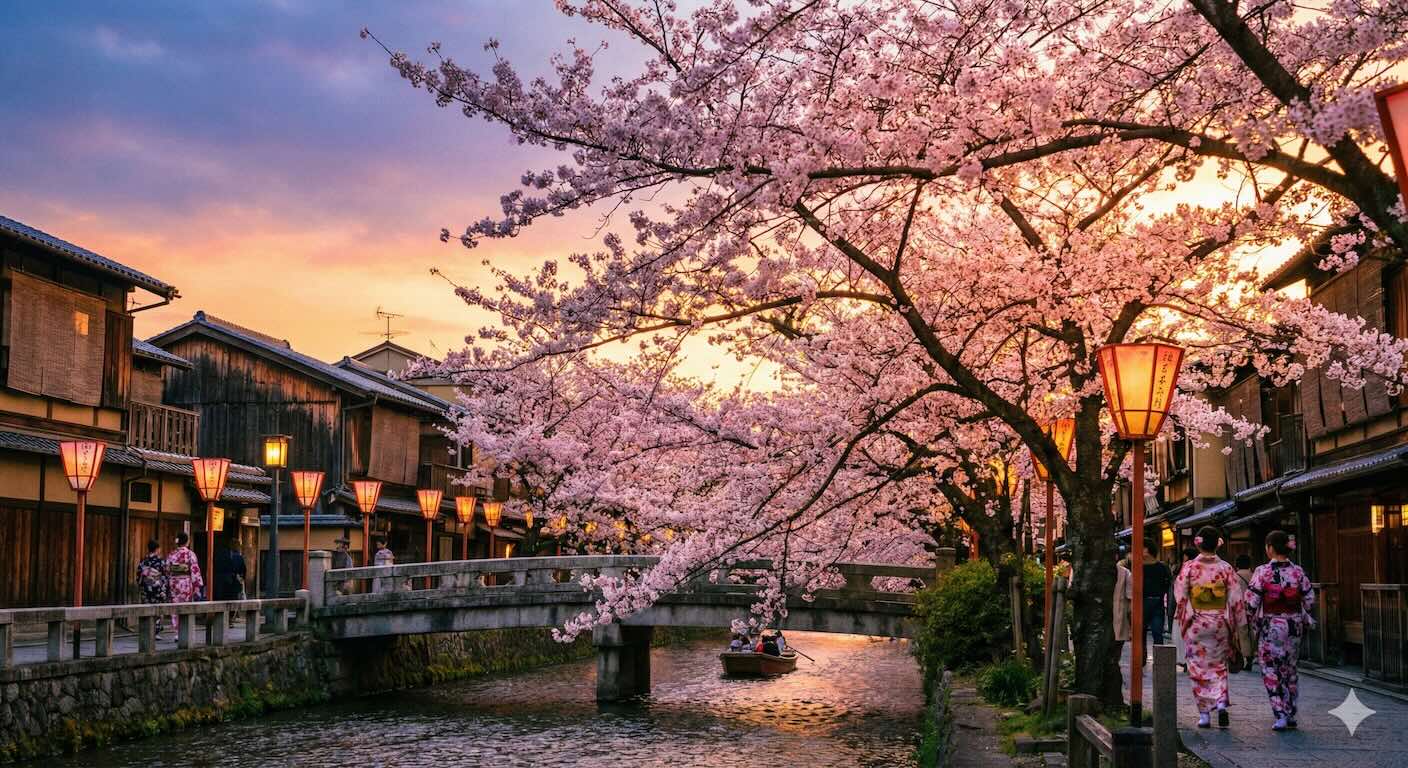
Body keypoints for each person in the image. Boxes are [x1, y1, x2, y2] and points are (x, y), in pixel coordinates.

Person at [1174, 527, 1245, 729]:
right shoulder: (1226, 568)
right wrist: (1239, 625)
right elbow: (1236, 599)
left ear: (1198, 544)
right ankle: (1221, 703)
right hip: (1220, 623)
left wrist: (1184, 617)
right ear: (1218, 544)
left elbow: (1180, 595)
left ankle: (1204, 715)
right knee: (1219, 666)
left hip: (1196, 623)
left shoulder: (1189, 567)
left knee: (1197, 667)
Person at [1245, 530, 1315, 731]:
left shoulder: (1263, 572)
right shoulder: (1298, 572)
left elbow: (1251, 603)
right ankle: (1291, 712)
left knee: (1270, 668)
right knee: (1290, 668)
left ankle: (1280, 714)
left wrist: (1249, 620)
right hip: (1294, 626)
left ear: (1270, 548)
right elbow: (1310, 601)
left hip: (1271, 625)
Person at [165, 532, 204, 631]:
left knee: (175, 605)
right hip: (185, 583)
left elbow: (167, 570)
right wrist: (197, 585)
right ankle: (184, 630)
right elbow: (195, 570)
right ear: (187, 542)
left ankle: (177, 630)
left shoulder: (171, 554)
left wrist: (170, 579)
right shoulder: (190, 554)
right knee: (186, 606)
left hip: (174, 583)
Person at [1142, 540, 1174, 660]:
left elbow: (1168, 584)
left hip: (1157, 603)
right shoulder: (1137, 566)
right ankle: (1141, 658)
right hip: (1141, 603)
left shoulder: (1162, 567)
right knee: (1140, 634)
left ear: (1147, 550)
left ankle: (1160, 661)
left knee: (1157, 632)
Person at [136, 539, 169, 636]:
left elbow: (139, 574)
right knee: (158, 609)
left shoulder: (143, 561)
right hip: (157, 588)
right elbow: (165, 575)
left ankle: (147, 630)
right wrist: (163, 587)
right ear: (157, 549)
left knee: (146, 608)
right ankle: (155, 631)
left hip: (146, 588)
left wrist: (142, 584)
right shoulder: (160, 561)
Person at [1234, 554, 1256, 671]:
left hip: (1240, 608)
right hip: (1253, 607)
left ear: (1237, 565)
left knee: (1242, 633)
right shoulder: (1254, 575)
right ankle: (1252, 654)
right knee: (1252, 632)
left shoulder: (1235, 577)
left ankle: (1245, 656)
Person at [1113, 558, 1133, 658]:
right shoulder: (1125, 572)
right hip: (1119, 613)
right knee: (1117, 645)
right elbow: (1130, 596)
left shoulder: (1125, 573)